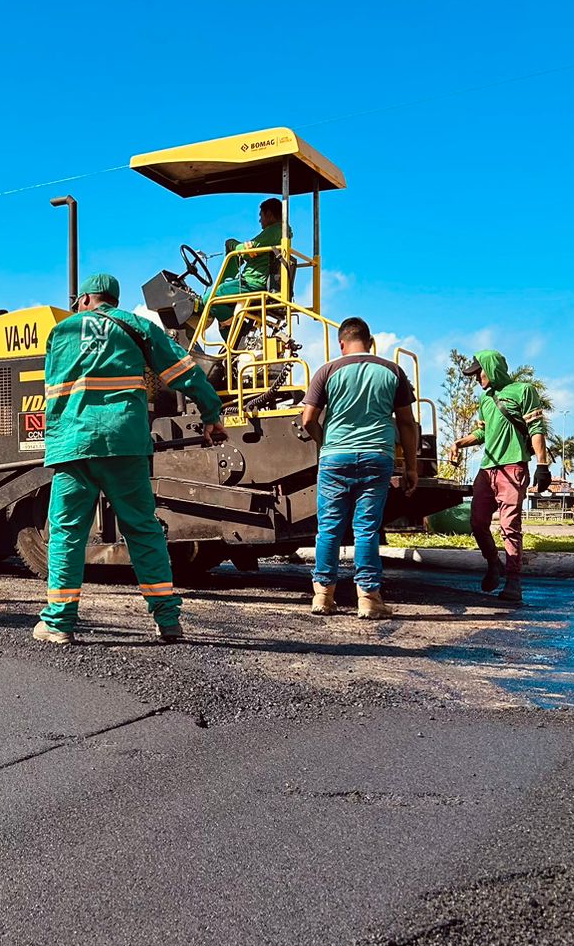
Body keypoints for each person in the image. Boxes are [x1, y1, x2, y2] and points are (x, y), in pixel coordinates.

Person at [35, 272, 227, 646]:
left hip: (75, 444)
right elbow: (184, 371)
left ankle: (59, 623)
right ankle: (168, 620)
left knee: (67, 533)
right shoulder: (137, 326)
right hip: (124, 441)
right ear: (113, 300)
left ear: (87, 299)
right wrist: (210, 415)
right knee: (142, 529)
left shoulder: (61, 331)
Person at [299, 317, 419, 619]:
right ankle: (368, 598)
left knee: (329, 528)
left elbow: (307, 419)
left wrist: (325, 441)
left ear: (342, 343)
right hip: (377, 456)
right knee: (365, 529)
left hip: (335, 457)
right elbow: (407, 423)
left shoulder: (327, 370)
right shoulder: (393, 371)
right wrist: (411, 468)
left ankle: (323, 596)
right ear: (371, 341)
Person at [445, 350, 551, 604]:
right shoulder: (486, 399)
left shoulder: (523, 391)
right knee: (477, 521)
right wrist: (459, 443)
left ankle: (514, 582)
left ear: (491, 370)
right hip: (487, 469)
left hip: (513, 468)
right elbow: (482, 434)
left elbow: (536, 429)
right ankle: (493, 562)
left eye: (478, 372)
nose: (475, 378)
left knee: (509, 527)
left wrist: (542, 465)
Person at [207, 198, 290, 332]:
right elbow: (251, 251)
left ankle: (232, 325)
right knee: (219, 307)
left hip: (253, 282)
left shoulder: (274, 231)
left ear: (269, 214)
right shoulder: (282, 234)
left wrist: (234, 245)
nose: (259, 220)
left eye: (261, 216)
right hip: (262, 281)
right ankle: (233, 341)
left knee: (210, 299)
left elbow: (247, 252)